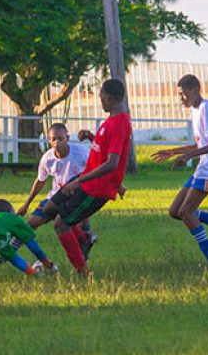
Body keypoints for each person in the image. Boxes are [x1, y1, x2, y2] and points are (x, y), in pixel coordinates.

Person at [38, 79, 132, 276]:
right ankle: (85, 239)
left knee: (61, 224)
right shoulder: (112, 120)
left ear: (110, 98)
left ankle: (83, 272)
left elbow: (112, 163)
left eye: (102, 98)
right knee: (49, 208)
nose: (101, 101)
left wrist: (78, 182)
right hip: (86, 179)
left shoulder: (119, 123)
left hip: (95, 189)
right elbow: (105, 150)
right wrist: (91, 137)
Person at [152, 74, 208, 264]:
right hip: (205, 165)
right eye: (179, 95)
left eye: (184, 94)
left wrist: (188, 157)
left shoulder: (206, 108)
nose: (181, 98)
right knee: (175, 210)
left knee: (186, 212)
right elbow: (200, 144)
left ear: (195, 90)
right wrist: (173, 151)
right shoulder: (195, 110)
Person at [1, 123, 103, 264]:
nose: (57, 143)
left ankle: (82, 254)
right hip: (55, 198)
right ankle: (9, 252)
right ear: (49, 141)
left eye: (61, 138)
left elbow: (97, 167)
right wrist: (26, 204)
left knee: (71, 224)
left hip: (76, 196)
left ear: (67, 138)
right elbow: (40, 180)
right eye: (53, 139)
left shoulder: (81, 152)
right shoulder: (47, 158)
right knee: (31, 223)